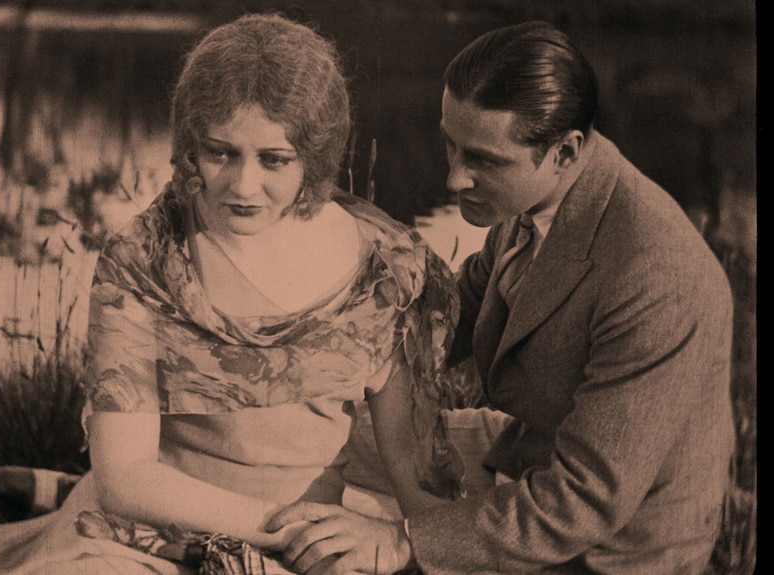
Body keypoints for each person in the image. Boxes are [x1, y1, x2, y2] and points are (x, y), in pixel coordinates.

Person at [0, 13, 469, 575]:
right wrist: (284, 528)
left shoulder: (392, 272)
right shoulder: (142, 260)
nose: (242, 185)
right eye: (220, 152)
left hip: (306, 557)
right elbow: (128, 477)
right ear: (190, 145)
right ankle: (54, 512)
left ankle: (51, 494)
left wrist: (403, 542)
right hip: (144, 538)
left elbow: (413, 465)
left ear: (317, 153)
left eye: (274, 160)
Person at [265, 20, 735, 575]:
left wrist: (401, 539)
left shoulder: (658, 278)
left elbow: (583, 501)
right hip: (523, 451)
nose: (454, 178)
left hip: (602, 549)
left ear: (564, 151)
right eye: (450, 144)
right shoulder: (542, 198)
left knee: (338, 527)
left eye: (483, 160)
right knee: (288, 440)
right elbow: (450, 317)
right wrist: (305, 356)